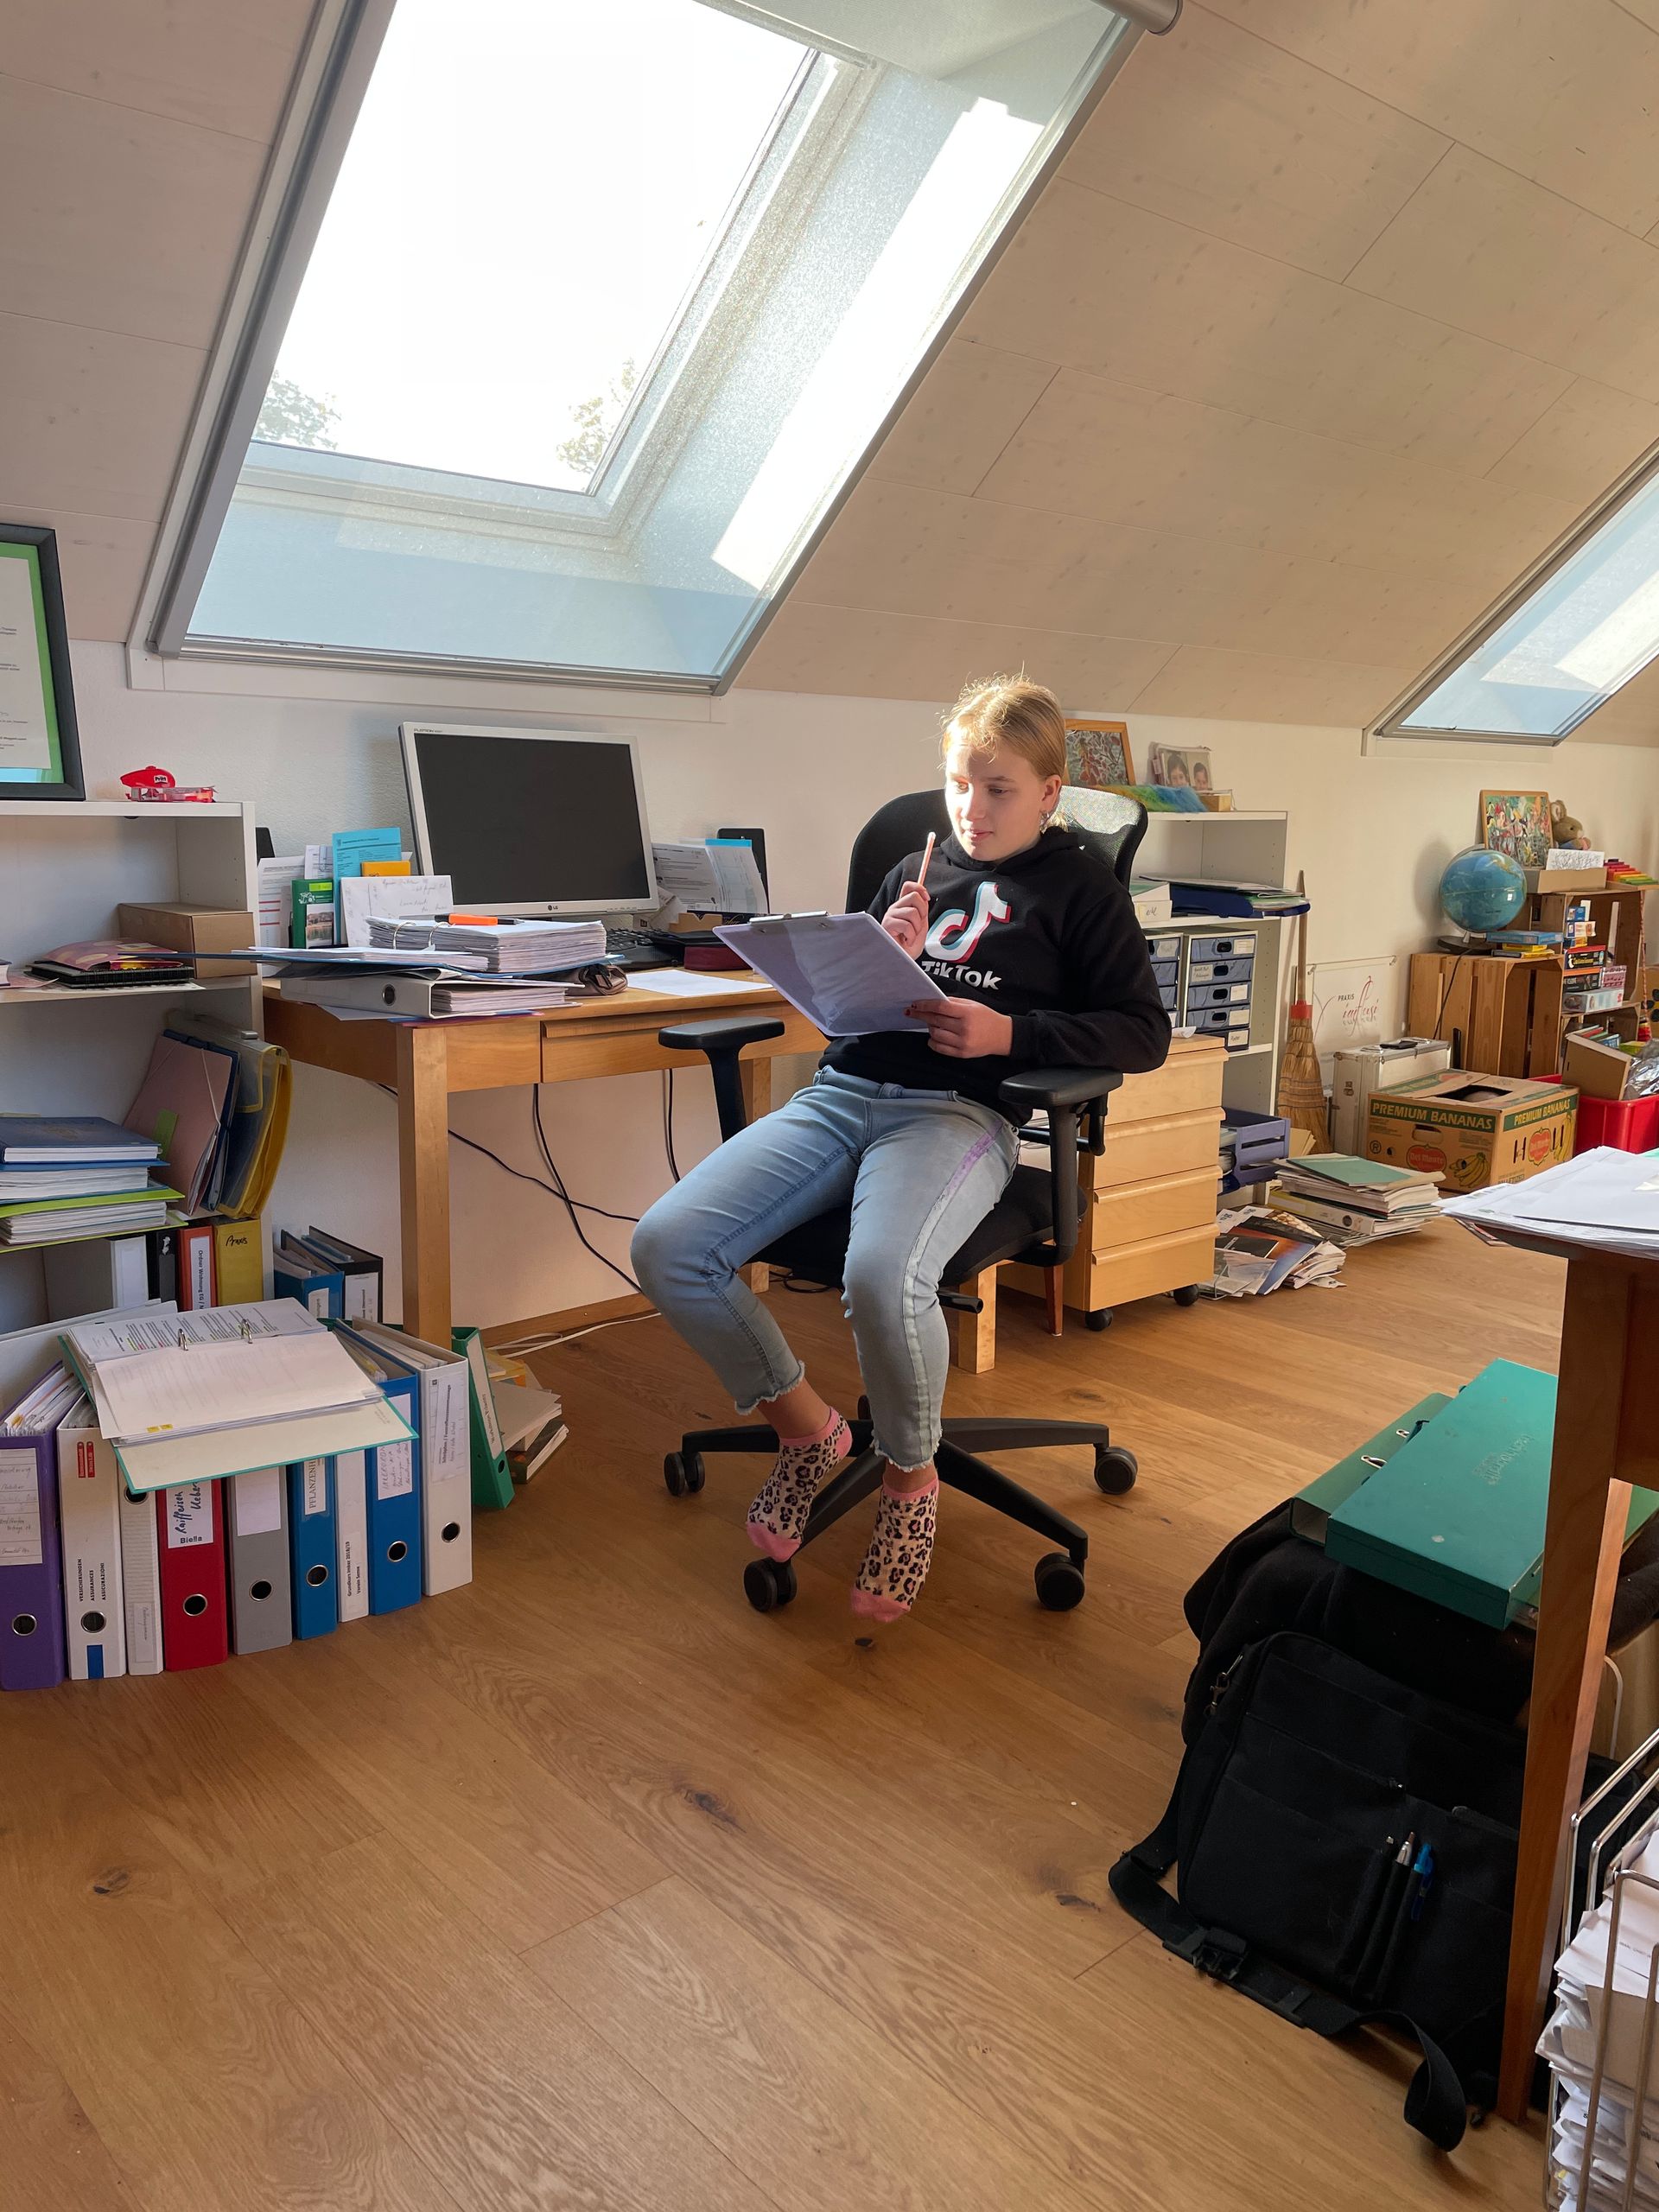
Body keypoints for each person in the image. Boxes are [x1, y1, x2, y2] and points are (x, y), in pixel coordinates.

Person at [632, 677, 1172, 1621]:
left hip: (958, 1115)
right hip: (843, 1095)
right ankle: (808, 1433)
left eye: (998, 788)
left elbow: (1142, 1033)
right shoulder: (913, 870)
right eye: (961, 783)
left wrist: (1009, 1034)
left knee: (881, 1276)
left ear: (1049, 792)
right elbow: (844, 1016)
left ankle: (912, 1482)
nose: (972, 807)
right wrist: (876, 956)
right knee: (668, 1245)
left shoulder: (1081, 889)